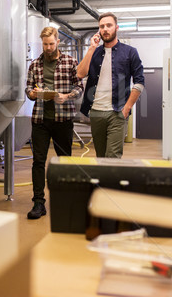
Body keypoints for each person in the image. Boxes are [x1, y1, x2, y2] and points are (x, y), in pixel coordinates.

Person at [25, 26, 83, 219]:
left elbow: (79, 86)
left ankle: (65, 202)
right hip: (40, 120)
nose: (48, 48)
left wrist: (67, 96)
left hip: (63, 120)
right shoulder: (34, 65)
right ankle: (39, 204)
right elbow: (28, 89)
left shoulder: (70, 62)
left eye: (51, 44)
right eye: (45, 44)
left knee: (64, 161)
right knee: (38, 162)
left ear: (58, 42)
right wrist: (32, 94)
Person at [77, 12, 145, 158]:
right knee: (100, 157)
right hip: (96, 112)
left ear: (116, 27)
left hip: (117, 112)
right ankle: (103, 181)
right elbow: (80, 74)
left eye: (109, 25)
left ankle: (111, 181)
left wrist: (126, 109)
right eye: (102, 26)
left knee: (113, 156)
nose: (105, 29)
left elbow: (139, 82)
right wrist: (91, 48)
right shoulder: (94, 52)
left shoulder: (130, 52)